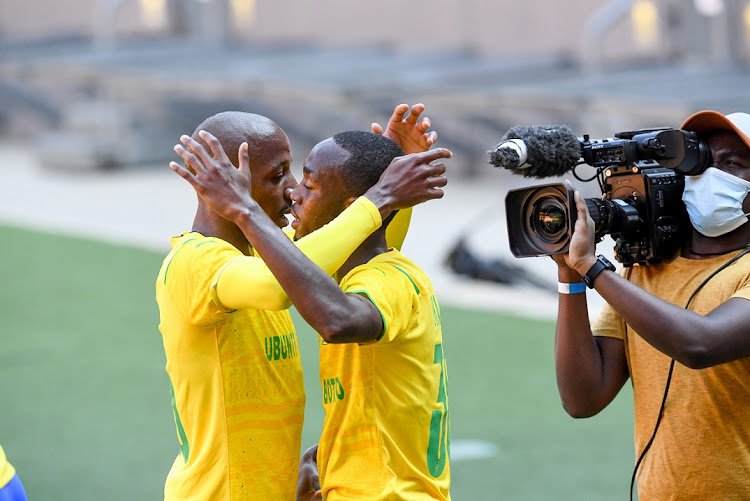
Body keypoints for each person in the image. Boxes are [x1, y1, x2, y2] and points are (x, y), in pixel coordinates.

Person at [158, 105, 444, 500]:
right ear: (226, 185)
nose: (292, 189)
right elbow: (279, 286)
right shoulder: (196, 263)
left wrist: (386, 172)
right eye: (278, 176)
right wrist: (379, 196)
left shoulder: (270, 256)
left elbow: (345, 247)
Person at [553, 110, 750, 499]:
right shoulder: (644, 273)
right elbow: (583, 398)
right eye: (699, 162)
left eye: (731, 163)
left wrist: (592, 268)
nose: (709, 175)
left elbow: (701, 344)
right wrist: (570, 276)